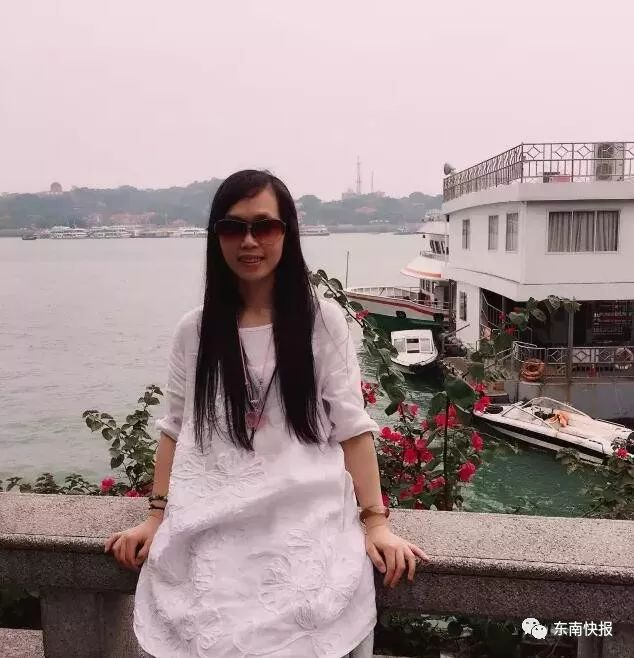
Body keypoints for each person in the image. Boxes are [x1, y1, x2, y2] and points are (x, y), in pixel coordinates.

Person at [105, 170, 430, 658]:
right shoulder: (194, 332)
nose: (249, 241)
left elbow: (352, 427)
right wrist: (155, 517)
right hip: (212, 515)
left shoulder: (322, 322)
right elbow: (175, 428)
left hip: (305, 513)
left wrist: (376, 523)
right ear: (216, 237)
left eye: (265, 226)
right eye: (233, 228)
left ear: (287, 232)